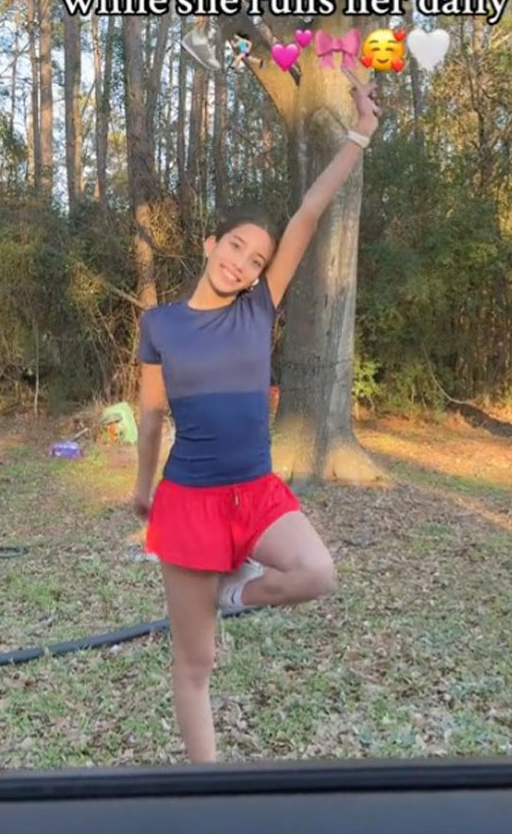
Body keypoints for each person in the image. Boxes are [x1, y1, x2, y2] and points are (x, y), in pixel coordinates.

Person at [133, 78, 380, 763]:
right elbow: (152, 413)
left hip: (256, 492)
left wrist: (358, 133)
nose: (242, 262)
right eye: (235, 246)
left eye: (256, 259)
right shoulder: (162, 324)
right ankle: (206, 787)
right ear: (212, 240)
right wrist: (141, 487)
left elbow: (308, 212)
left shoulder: (257, 308)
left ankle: (231, 582)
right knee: (196, 661)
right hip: (189, 501)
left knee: (316, 571)